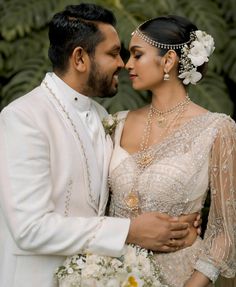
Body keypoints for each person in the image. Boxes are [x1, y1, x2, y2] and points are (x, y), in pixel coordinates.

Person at [0, 4, 201, 287]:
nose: (122, 63)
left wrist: (176, 221)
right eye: (112, 53)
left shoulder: (103, 117)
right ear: (80, 58)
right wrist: (129, 231)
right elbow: (30, 229)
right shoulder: (24, 117)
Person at [108, 15, 236, 287]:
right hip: (107, 274)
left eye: (137, 55)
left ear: (168, 61)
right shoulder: (115, 123)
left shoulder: (216, 129)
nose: (127, 64)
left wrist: (194, 283)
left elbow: (226, 229)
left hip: (181, 276)